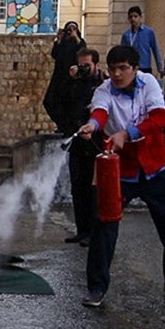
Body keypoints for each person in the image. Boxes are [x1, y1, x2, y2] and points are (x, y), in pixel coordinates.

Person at [76, 44, 165, 308]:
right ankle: (97, 287)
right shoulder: (103, 90)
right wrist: (92, 125)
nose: (117, 75)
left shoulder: (150, 83)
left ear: (135, 68)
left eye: (123, 68)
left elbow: (159, 119)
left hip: (156, 166)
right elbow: (100, 113)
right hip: (119, 170)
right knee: (104, 226)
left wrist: (127, 133)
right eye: (112, 70)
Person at [64, 48, 104, 246]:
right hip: (77, 142)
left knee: (92, 190)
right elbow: (57, 102)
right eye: (81, 65)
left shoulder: (103, 85)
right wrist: (70, 80)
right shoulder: (75, 83)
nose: (84, 69)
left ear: (96, 65)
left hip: (95, 143)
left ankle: (93, 232)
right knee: (77, 188)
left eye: (87, 66)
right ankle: (81, 230)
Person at [43, 21, 86, 133]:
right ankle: (60, 124)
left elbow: (83, 50)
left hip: (71, 79)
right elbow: (54, 54)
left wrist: (76, 37)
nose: (70, 32)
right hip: (58, 78)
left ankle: (67, 127)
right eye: (69, 29)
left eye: (73, 29)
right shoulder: (63, 43)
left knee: (67, 104)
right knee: (49, 102)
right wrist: (59, 40)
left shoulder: (78, 43)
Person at [120, 6, 164, 76]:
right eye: (131, 17)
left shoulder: (149, 32)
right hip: (131, 67)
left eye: (135, 16)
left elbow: (155, 49)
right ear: (128, 19)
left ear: (140, 17)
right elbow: (122, 53)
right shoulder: (126, 35)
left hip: (145, 67)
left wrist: (160, 67)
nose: (133, 19)